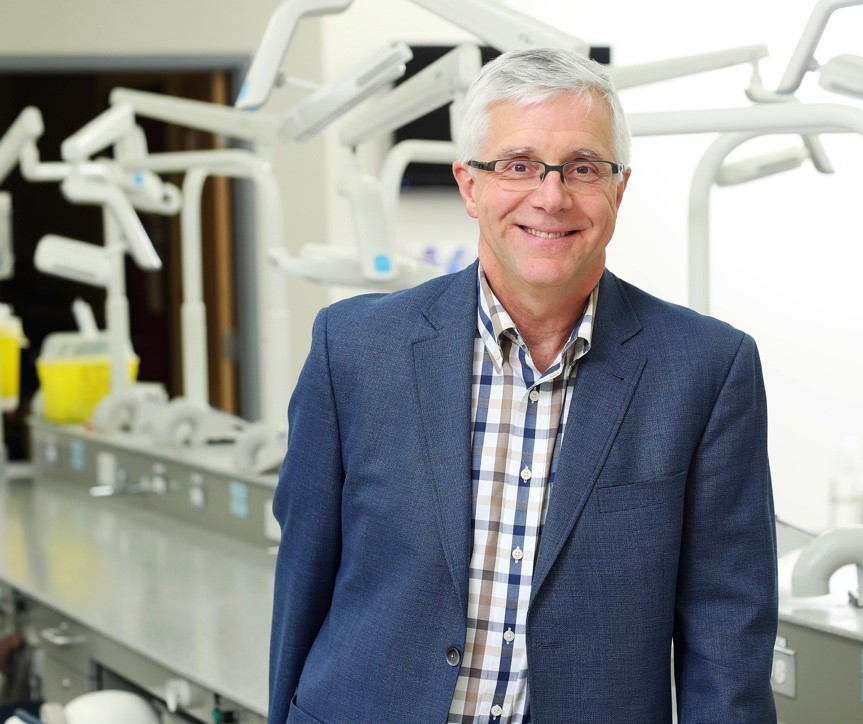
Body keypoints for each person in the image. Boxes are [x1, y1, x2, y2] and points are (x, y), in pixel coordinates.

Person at [269, 47, 778, 723]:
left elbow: (728, 637)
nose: (551, 195)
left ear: (619, 189)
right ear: (469, 185)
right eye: (518, 165)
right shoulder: (355, 350)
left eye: (583, 167)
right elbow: (300, 581)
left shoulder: (707, 370)